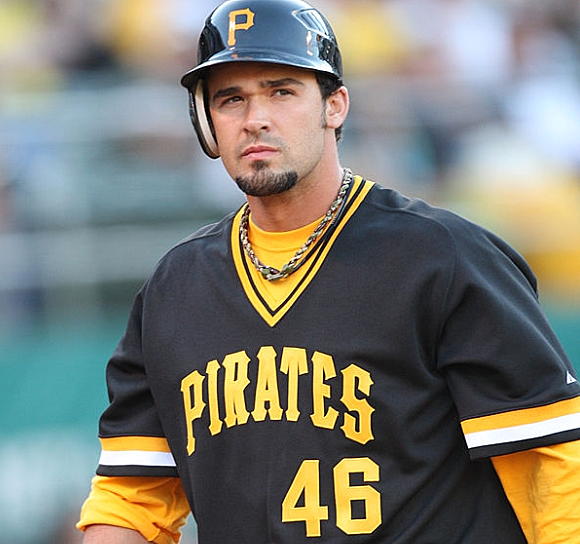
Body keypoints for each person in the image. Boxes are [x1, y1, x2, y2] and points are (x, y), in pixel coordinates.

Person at [77, 0, 580, 542]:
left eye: (281, 91)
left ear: (334, 105)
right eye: (231, 99)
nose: (255, 118)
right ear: (208, 122)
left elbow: (551, 467)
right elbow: (131, 499)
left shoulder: (444, 257)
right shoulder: (175, 286)